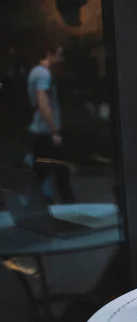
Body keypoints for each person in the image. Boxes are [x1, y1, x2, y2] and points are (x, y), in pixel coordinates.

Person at [26, 43, 76, 203]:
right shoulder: (43, 75)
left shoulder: (36, 72)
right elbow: (43, 104)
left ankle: (41, 201)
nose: (61, 58)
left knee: (44, 171)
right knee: (60, 171)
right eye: (59, 54)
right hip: (45, 132)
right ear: (49, 54)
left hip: (39, 130)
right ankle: (70, 206)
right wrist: (54, 131)